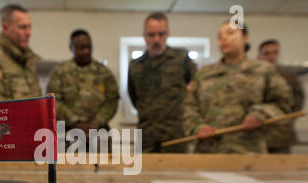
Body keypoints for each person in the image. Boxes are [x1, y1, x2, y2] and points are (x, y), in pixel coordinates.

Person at [183, 21, 293, 154]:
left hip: (249, 151)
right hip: (209, 151)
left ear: (245, 38)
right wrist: (197, 127)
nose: (223, 39)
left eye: (230, 33)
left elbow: (283, 103)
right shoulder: (204, 74)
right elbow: (188, 106)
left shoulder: (263, 70)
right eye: (219, 37)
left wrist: (260, 113)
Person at [128, 12, 196, 153]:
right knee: (143, 173)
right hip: (147, 134)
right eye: (151, 35)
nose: (156, 39)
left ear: (168, 34)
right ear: (144, 36)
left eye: (161, 34)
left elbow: (195, 88)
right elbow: (133, 96)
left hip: (175, 134)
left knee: (177, 174)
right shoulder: (136, 65)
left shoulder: (181, 59)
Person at [47, 29, 119, 136]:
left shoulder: (104, 73)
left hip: (98, 134)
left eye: (89, 47)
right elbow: (53, 101)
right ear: (71, 47)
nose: (86, 51)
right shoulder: (60, 72)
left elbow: (112, 101)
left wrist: (95, 123)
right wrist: (76, 123)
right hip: (68, 135)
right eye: (81, 48)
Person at [258, 39, 305, 153]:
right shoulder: (254, 75)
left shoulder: (288, 76)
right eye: (267, 53)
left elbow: (298, 98)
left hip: (282, 133)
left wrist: (289, 118)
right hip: (258, 132)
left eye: (275, 52)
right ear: (259, 55)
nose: (271, 56)